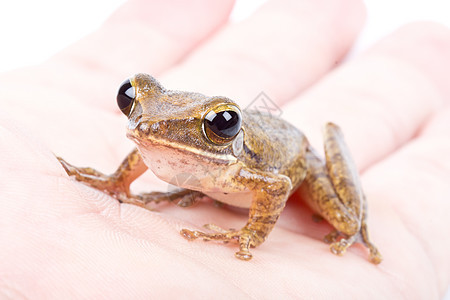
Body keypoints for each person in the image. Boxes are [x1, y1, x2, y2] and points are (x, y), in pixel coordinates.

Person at [0, 0, 449, 298]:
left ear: (227, 129)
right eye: (132, 100)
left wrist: (250, 235)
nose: (144, 122)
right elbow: (146, 145)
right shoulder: (150, 131)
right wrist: (118, 182)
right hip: (229, 161)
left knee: (345, 220)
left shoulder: (246, 169)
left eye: (219, 124)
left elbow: (275, 184)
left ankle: (358, 224)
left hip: (296, 159)